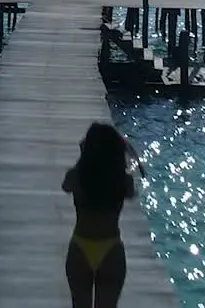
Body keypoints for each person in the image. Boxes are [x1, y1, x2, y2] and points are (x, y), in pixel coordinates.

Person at [61, 121, 145, 308]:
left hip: (80, 247)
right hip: (111, 249)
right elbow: (131, 193)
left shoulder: (77, 176)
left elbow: (65, 186)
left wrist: (84, 157)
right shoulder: (123, 180)